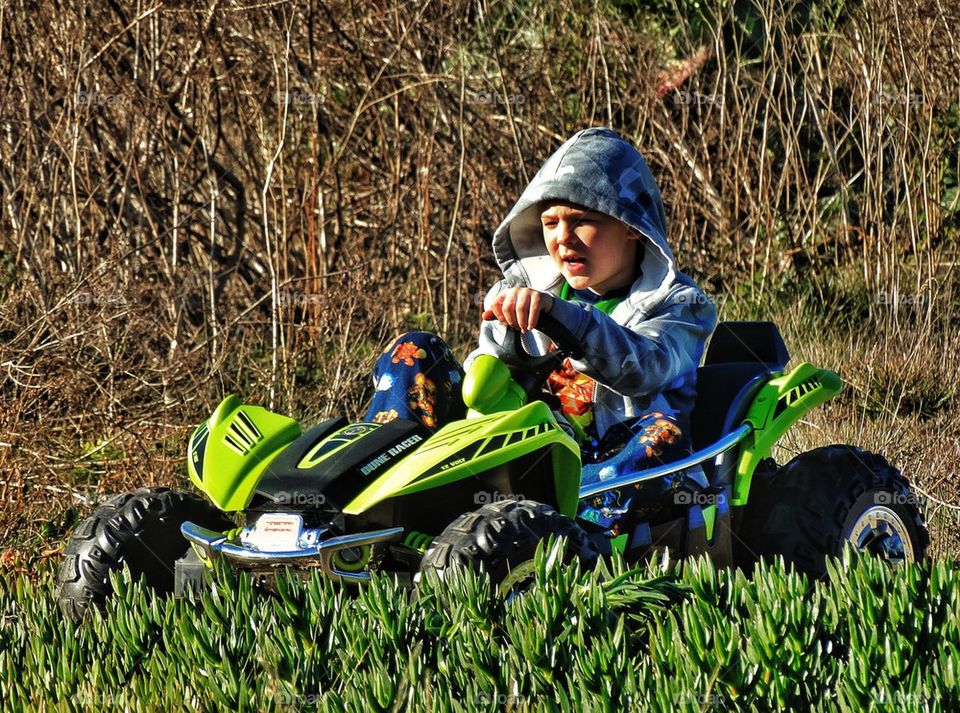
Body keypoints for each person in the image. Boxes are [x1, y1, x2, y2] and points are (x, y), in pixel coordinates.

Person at [364, 127, 717, 533]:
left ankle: (566, 526)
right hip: (516, 456)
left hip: (606, 463)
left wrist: (567, 317)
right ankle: (386, 493)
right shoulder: (520, 292)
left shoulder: (682, 304)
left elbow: (647, 367)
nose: (562, 238)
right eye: (550, 223)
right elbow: (489, 378)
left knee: (664, 436)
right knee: (414, 350)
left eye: (581, 221)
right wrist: (485, 366)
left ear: (630, 225)